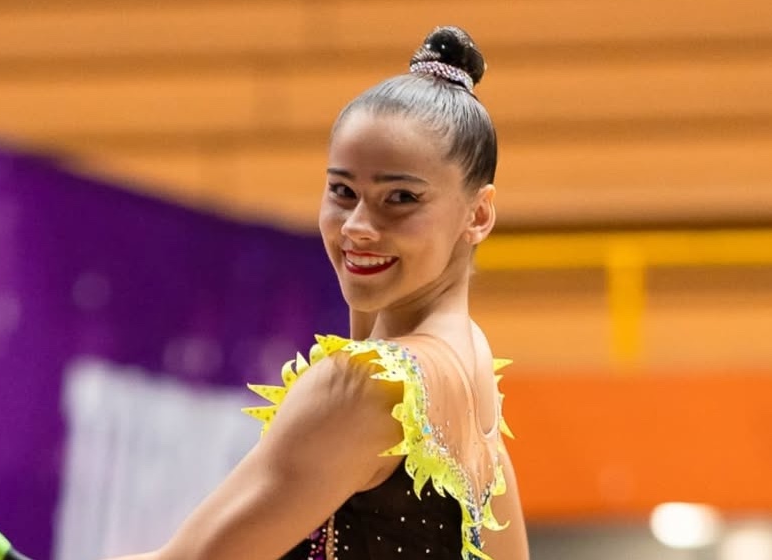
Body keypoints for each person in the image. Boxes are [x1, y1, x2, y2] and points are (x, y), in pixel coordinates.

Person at [106, 25, 528, 560]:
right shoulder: (470, 365)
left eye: (400, 197)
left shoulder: (367, 387)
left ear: (479, 214)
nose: (357, 226)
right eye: (343, 191)